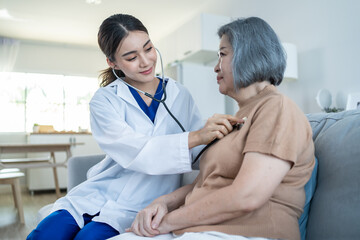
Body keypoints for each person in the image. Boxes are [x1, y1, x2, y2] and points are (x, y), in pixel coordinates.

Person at [27, 14, 241, 240]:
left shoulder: (179, 94)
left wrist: (223, 139)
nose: (146, 61)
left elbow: (197, 155)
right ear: (113, 63)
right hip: (98, 192)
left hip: (142, 200)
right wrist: (197, 136)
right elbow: (136, 151)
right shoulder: (105, 100)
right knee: (43, 235)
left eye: (148, 49)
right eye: (131, 57)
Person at [119, 17, 316, 240]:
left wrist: (168, 222)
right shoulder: (238, 117)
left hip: (248, 233)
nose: (215, 67)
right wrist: (163, 202)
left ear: (248, 55)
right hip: (200, 230)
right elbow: (207, 181)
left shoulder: (276, 108)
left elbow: (247, 196)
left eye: (222, 54)